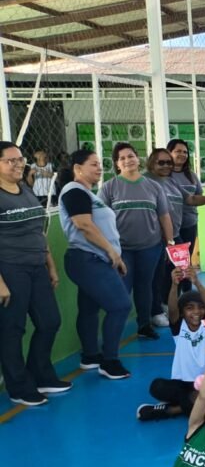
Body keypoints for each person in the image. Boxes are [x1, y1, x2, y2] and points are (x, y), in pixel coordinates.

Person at [0, 142, 67, 406]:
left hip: (37, 267)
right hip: (10, 269)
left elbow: (38, 231)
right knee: (12, 329)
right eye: (11, 161)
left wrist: (50, 265)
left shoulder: (25, 190)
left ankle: (41, 375)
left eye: (20, 159)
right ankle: (18, 387)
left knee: (50, 321)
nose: (18, 165)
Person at [58, 149, 132, 379]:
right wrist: (112, 253)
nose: (99, 168)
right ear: (77, 168)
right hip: (88, 259)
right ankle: (110, 361)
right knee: (120, 306)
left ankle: (90, 356)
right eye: (93, 164)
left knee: (89, 308)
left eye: (100, 164)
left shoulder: (89, 194)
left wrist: (113, 253)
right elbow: (84, 225)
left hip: (95, 258)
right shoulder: (74, 191)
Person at [100, 142, 175, 340]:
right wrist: (107, 248)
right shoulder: (109, 187)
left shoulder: (153, 186)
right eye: (122, 158)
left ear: (138, 159)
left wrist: (170, 243)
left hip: (150, 247)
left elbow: (164, 216)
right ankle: (114, 332)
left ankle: (144, 325)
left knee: (145, 287)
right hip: (121, 250)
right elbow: (100, 219)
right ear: (117, 164)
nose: (128, 160)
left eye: (131, 156)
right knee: (122, 290)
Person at [147, 148, 205, 325]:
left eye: (169, 162)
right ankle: (155, 311)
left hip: (174, 235)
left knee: (179, 271)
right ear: (151, 163)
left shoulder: (170, 181)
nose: (166, 165)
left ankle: (168, 305)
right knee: (157, 275)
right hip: (156, 237)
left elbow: (190, 199)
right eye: (161, 162)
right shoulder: (146, 181)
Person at [137, 266, 205, 421]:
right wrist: (174, 285)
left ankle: (171, 410)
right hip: (184, 384)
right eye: (189, 308)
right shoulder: (179, 327)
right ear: (182, 312)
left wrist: (197, 282)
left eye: (200, 308)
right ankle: (191, 404)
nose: (196, 312)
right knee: (157, 386)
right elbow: (173, 309)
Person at [168, 139, 205, 276]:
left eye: (185, 152)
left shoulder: (192, 176)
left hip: (189, 224)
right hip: (169, 228)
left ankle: (186, 288)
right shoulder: (164, 176)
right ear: (169, 153)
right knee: (173, 265)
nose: (182, 154)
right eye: (178, 151)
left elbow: (195, 198)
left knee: (185, 263)